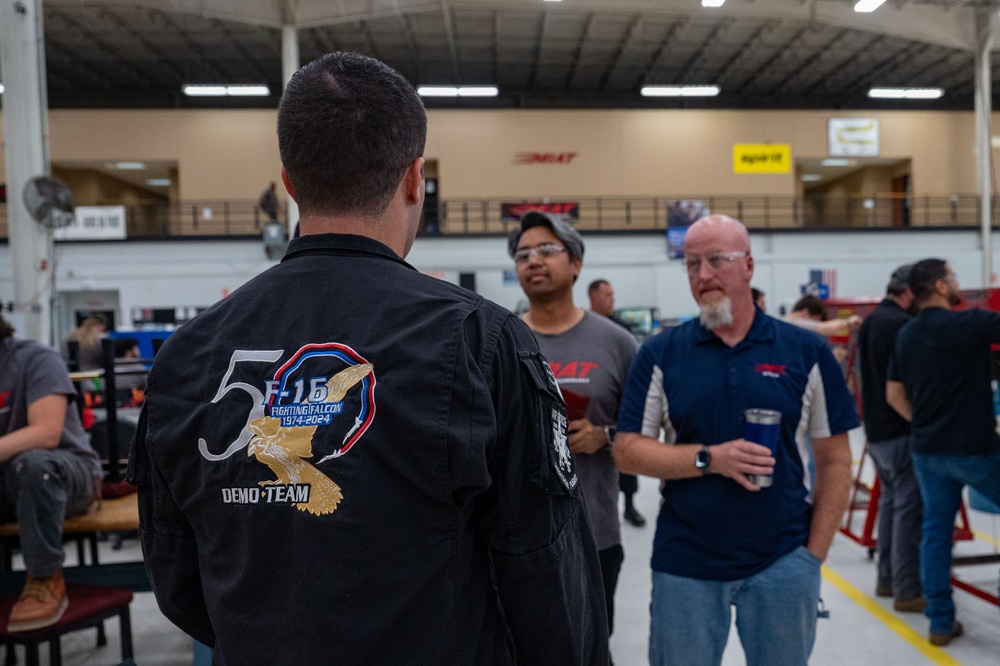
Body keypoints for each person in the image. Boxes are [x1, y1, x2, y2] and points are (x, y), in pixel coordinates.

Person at [128, 52, 609, 665]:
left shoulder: (186, 355)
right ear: (415, 180)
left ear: (291, 183)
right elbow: (545, 572)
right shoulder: (481, 341)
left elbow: (175, 573)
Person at [614, 214, 858, 666]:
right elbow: (627, 451)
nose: (702, 275)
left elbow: (835, 460)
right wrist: (710, 459)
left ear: (748, 265)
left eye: (715, 260)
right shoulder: (661, 353)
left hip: (782, 559)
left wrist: (812, 557)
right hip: (685, 561)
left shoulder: (805, 351)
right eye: (691, 264)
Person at [512, 215, 638, 650]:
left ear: (577, 264)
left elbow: (650, 430)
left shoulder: (617, 343)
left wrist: (606, 435)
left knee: (590, 647)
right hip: (516, 538)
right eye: (523, 254)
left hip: (595, 534)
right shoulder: (496, 339)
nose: (533, 261)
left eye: (547, 250)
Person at [885, 258, 1000, 646]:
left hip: (927, 451)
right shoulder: (971, 324)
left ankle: (939, 620)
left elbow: (893, 394)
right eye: (952, 277)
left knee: (935, 532)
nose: (957, 284)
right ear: (938, 286)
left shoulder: (906, 335)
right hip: (975, 450)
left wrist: (924, 422)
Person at [0, 315, 102, 631]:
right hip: (10, 483)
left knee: (34, 465)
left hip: (66, 474)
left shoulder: (34, 358)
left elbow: (46, 433)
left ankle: (44, 576)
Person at [856, 264, 924, 613]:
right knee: (908, 511)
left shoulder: (872, 320)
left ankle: (886, 578)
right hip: (899, 430)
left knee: (891, 505)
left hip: (877, 432)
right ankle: (907, 589)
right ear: (909, 292)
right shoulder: (900, 325)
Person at [588, 278, 646, 529]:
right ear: (593, 297)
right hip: (594, 408)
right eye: (607, 295)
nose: (613, 300)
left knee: (626, 458)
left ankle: (630, 505)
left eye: (613, 295)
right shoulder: (585, 329)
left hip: (620, 407)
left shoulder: (622, 331)